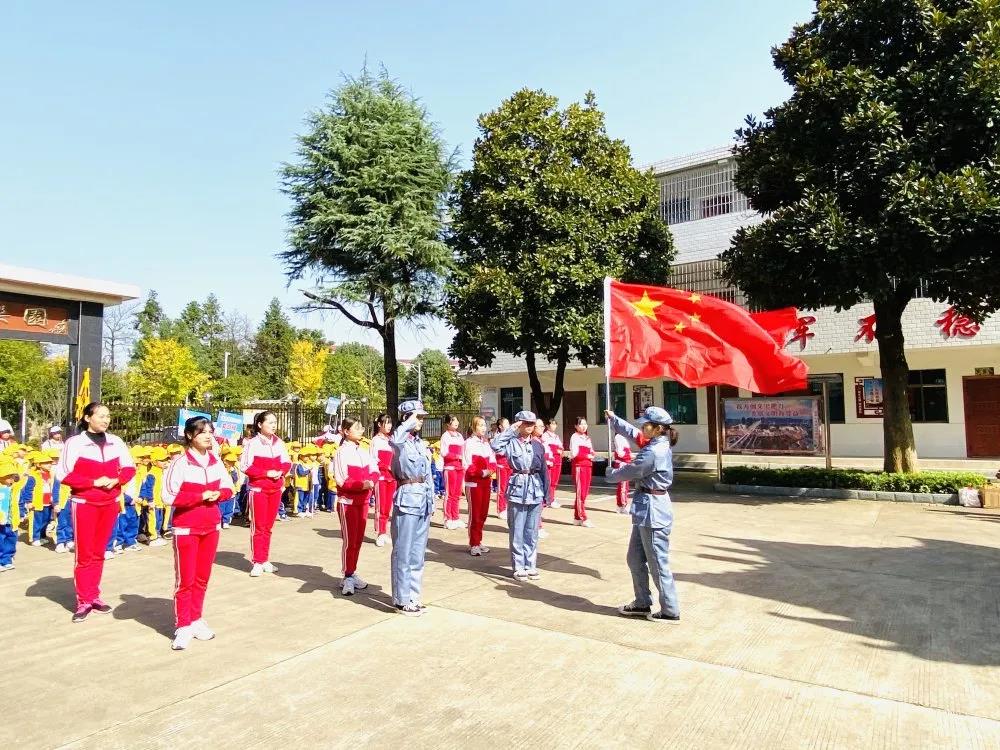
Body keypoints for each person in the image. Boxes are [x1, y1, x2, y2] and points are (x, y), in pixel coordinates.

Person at [56, 402, 136, 623]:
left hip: (109, 502)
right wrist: (93, 481)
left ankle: (94, 595)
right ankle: (84, 599)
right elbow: (63, 475)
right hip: (84, 503)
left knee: (100, 551)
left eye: (108, 416)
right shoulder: (75, 443)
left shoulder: (116, 442)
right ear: (87, 417)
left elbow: (129, 468)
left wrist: (116, 480)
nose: (105, 420)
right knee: (85, 553)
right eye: (101, 416)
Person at [163, 416, 236, 650]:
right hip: (186, 528)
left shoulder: (215, 461)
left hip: (211, 526)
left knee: (202, 578)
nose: (207, 435)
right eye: (202, 432)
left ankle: (196, 618)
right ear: (189, 436)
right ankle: (183, 624)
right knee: (186, 579)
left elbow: (229, 488)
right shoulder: (180, 463)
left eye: (210, 431)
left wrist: (218, 494)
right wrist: (200, 496)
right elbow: (168, 497)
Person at [604, 407, 681, 623]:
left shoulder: (654, 451)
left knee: (657, 562)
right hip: (646, 509)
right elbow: (632, 432)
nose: (642, 426)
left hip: (653, 511)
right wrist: (615, 419)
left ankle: (670, 609)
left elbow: (634, 471)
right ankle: (642, 602)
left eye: (646, 424)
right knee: (635, 558)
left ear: (658, 429)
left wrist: (612, 475)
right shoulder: (655, 443)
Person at [491, 411, 550, 580]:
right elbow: (495, 445)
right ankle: (518, 566)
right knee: (517, 530)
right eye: (525, 423)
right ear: (519, 424)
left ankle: (530, 564)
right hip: (518, 487)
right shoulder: (511, 442)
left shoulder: (538, 444)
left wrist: (547, 493)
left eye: (532, 423)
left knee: (531, 531)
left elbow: (544, 470)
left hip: (535, 487)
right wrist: (511, 429)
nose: (529, 426)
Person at [389, 400, 435, 616]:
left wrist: (432, 500)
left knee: (417, 553)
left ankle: (414, 596)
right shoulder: (400, 441)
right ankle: (401, 599)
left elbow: (428, 475)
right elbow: (396, 440)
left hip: (422, 499)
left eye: (422, 418)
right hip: (407, 498)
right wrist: (408, 422)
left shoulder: (419, 443)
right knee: (403, 552)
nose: (421, 421)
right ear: (406, 417)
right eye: (418, 417)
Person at [239, 411, 291, 577]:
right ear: (260, 425)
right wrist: (266, 473)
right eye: (270, 422)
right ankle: (257, 561)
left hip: (275, 489)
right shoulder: (252, 443)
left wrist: (280, 471)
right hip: (259, 490)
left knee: (268, 527)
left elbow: (287, 462)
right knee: (258, 526)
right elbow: (245, 466)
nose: (274, 425)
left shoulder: (279, 443)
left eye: (275, 422)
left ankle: (265, 559)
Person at [333, 418, 378, 596]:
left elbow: (374, 470)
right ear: (345, 431)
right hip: (348, 502)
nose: (361, 430)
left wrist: (371, 481)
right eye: (356, 428)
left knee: (358, 540)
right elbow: (342, 480)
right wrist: (363, 484)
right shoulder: (341, 453)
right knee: (349, 541)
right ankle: (347, 575)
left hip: (363, 501)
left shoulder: (364, 451)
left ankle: (352, 571)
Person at [463, 416, 497, 556]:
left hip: (486, 483)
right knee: (475, 514)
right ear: (473, 426)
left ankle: (479, 540)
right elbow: (467, 465)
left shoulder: (486, 443)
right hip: (474, 483)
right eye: (480, 425)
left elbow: (493, 461)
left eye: (484, 425)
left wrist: (491, 470)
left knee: (483, 514)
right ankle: (474, 543)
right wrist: (482, 472)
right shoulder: (468, 443)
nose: (483, 428)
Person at [369, 414, 396, 547]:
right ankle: (380, 532)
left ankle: (385, 532)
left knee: (388, 506)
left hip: (392, 477)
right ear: (379, 424)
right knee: (380, 506)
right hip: (381, 477)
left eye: (390, 423)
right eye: (386, 423)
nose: (389, 426)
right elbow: (373, 460)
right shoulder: (375, 440)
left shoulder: (391, 440)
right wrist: (386, 466)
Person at [20, 450, 56, 547]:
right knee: (36, 521)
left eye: (50, 463)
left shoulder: (51, 474)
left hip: (48, 502)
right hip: (37, 503)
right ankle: (34, 538)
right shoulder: (33, 475)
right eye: (46, 463)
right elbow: (28, 489)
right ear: (39, 464)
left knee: (46, 520)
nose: (49, 465)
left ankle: (42, 536)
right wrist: (28, 501)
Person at [139, 447, 170, 547]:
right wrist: (150, 500)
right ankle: (152, 537)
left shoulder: (161, 472)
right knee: (153, 520)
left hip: (160, 502)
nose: (165, 462)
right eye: (162, 460)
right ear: (154, 462)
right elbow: (148, 488)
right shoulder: (152, 474)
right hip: (153, 502)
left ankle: (157, 535)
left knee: (159, 519)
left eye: (166, 459)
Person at [439, 414, 465, 529]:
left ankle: (456, 517)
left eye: (457, 420)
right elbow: (444, 452)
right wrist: (456, 456)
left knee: (457, 494)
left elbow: (464, 451)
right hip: (450, 468)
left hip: (460, 468)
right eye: (453, 420)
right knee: (449, 494)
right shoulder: (445, 436)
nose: (456, 422)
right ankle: (448, 518)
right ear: (448, 423)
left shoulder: (460, 436)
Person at [569, 418, 595, 527]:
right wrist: (587, 455)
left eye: (585, 424)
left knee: (584, 492)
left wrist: (592, 454)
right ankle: (583, 517)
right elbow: (574, 453)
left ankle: (577, 517)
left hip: (588, 466)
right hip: (579, 467)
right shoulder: (575, 437)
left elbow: (591, 451)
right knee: (581, 493)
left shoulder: (587, 438)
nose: (583, 426)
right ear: (576, 426)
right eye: (581, 424)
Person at [0, 459, 21, 571]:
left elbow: (21, 480)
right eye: (8, 476)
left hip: (12, 519)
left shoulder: (14, 488)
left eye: (12, 476)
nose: (11, 479)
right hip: (1, 519)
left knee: (11, 539)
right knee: (1, 539)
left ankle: (7, 560)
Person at [219, 446, 244, 528]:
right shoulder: (220, 468)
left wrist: (233, 472)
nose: (229, 463)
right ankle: (219, 521)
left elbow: (236, 479)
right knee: (220, 507)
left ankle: (226, 521)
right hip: (221, 492)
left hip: (231, 492)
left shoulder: (233, 469)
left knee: (229, 508)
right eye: (228, 461)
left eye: (231, 462)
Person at [541, 419, 564, 508]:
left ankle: (552, 498)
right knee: (549, 481)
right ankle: (547, 499)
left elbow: (561, 447)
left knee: (554, 481)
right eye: (552, 424)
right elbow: (547, 448)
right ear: (547, 426)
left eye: (555, 424)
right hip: (550, 461)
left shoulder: (556, 436)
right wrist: (556, 450)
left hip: (558, 461)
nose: (554, 426)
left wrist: (560, 450)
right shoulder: (545, 436)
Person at [493, 418, 511, 520]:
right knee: (502, 488)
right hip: (501, 465)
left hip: (509, 465)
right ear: (500, 426)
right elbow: (497, 451)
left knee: (509, 488)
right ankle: (501, 509)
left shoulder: (511, 437)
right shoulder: (498, 437)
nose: (508, 425)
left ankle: (508, 507)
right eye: (506, 423)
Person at [612, 430, 634, 514]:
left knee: (623, 486)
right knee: (623, 486)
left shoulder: (623, 438)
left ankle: (620, 505)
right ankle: (623, 505)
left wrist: (632, 456)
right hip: (622, 464)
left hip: (625, 463)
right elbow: (620, 453)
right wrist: (630, 456)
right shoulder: (618, 437)